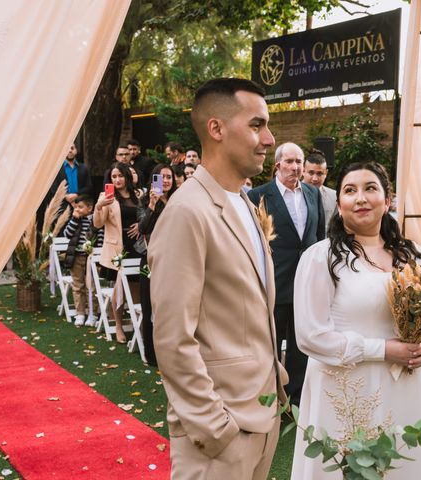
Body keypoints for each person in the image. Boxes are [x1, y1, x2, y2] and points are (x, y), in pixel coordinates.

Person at [148, 78, 287, 480]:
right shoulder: (187, 212)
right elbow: (173, 337)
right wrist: (215, 429)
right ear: (217, 129)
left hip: (261, 416)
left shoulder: (244, 202)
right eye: (257, 125)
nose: (269, 138)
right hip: (220, 434)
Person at [291, 161, 421, 480]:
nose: (360, 198)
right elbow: (309, 335)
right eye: (350, 191)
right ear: (339, 206)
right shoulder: (321, 258)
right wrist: (383, 350)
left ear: (387, 200)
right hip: (347, 391)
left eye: (370, 188)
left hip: (406, 389)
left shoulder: (416, 256)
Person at [248, 142, 325, 407]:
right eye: (290, 161)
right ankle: (267, 401)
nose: (295, 167)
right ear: (277, 165)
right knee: (269, 346)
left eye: (299, 162)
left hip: (306, 285)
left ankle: (296, 402)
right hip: (274, 283)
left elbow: (319, 239)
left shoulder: (313, 195)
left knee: (300, 348)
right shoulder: (258, 195)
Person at [93, 162, 141, 343]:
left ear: (127, 176)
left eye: (120, 175)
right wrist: (99, 207)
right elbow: (98, 224)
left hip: (138, 247)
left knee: (136, 288)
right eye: (113, 176)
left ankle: (138, 324)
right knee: (119, 290)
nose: (117, 179)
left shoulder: (139, 194)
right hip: (117, 250)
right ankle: (118, 326)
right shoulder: (105, 197)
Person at [136, 164, 177, 365]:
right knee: (148, 306)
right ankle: (151, 354)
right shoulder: (145, 200)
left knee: (172, 306)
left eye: (169, 177)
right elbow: (142, 228)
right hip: (151, 258)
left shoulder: (179, 200)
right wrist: (152, 205)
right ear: (154, 180)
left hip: (176, 259)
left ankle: (171, 351)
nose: (166, 181)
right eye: (161, 178)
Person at [62, 195, 104, 326]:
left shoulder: (96, 221)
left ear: (90, 208)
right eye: (76, 207)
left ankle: (93, 313)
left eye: (81, 207)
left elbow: (101, 238)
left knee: (91, 287)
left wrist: (97, 256)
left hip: (91, 258)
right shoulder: (75, 220)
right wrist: (74, 219)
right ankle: (80, 313)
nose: (78, 210)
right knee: (78, 285)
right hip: (76, 257)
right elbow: (67, 234)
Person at [48, 143, 93, 211]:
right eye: (67, 148)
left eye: (72, 148)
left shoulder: (84, 168)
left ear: (76, 150)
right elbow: (53, 189)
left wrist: (76, 195)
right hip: (62, 206)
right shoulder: (57, 169)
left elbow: (89, 187)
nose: (70, 150)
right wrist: (66, 196)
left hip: (81, 205)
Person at [302, 150, 336, 230]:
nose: (315, 179)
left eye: (319, 174)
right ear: (303, 171)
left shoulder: (334, 196)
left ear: (326, 173)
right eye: (311, 173)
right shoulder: (291, 194)